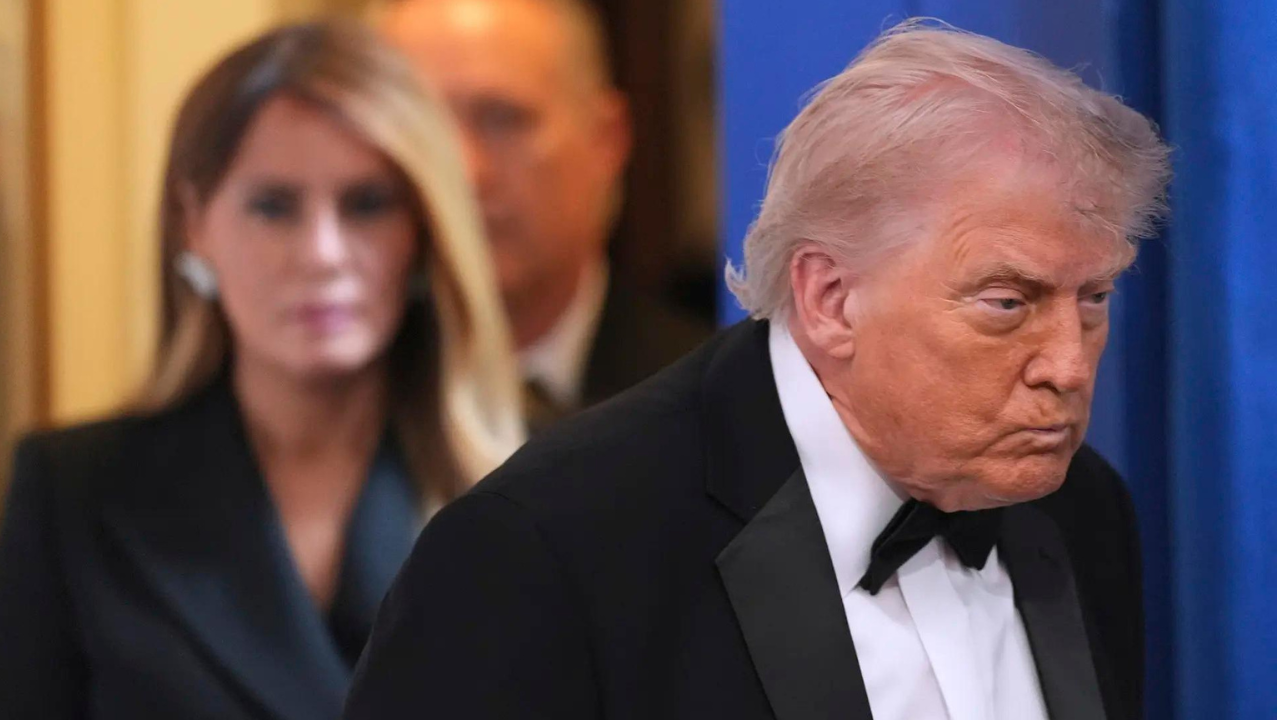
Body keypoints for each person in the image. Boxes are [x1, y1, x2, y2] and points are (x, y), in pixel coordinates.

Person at [345, 20, 1172, 720]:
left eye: (1093, 298)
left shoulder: (1079, 508)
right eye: (1009, 303)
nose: (1069, 365)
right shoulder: (541, 552)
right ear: (830, 299)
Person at [0, 20, 523, 720]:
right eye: (273, 207)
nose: (322, 253)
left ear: (425, 230)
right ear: (193, 224)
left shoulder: (532, 486)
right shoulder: (74, 493)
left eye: (367, 204)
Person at [379, 0, 711, 431]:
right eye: (423, 130)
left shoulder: (718, 400)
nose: (465, 172)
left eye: (502, 120)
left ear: (605, 138)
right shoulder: (332, 411)